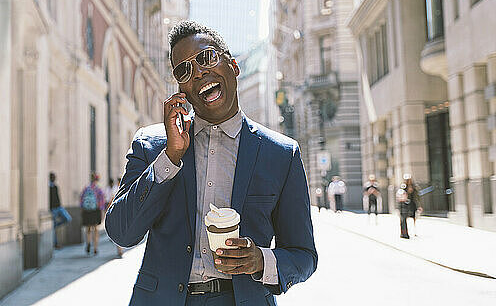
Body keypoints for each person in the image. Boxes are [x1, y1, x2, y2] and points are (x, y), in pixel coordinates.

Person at [106, 21, 317, 306]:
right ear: (181, 88)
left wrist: (261, 261)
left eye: (207, 58)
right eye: (185, 70)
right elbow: (121, 232)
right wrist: (170, 157)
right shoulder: (151, 144)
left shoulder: (281, 154)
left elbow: (303, 255)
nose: (199, 72)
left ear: (233, 66)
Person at [80, 173, 106, 254]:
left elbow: (81, 199)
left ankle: (88, 242)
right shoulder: (98, 189)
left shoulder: (86, 188)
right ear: (97, 180)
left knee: (88, 229)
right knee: (96, 229)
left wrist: (83, 208)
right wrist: (102, 211)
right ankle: (95, 248)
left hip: (87, 211)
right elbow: (102, 202)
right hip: (95, 211)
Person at [49, 172, 72, 249]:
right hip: (53, 209)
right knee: (53, 229)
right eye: (53, 177)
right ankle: (55, 243)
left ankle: (55, 225)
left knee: (68, 218)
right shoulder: (48, 187)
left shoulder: (55, 186)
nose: (54, 178)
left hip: (59, 207)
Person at [396, 174, 422, 239]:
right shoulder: (403, 187)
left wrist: (419, 206)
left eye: (409, 179)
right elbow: (400, 195)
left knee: (414, 218)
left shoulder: (414, 187)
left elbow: (417, 197)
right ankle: (405, 233)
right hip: (405, 205)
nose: (408, 181)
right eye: (407, 180)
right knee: (404, 219)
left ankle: (414, 231)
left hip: (413, 204)